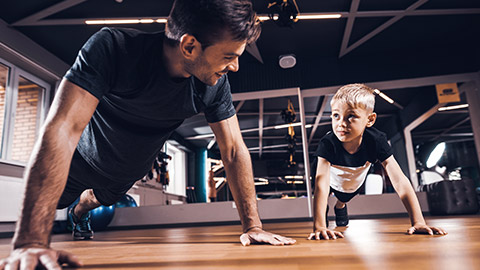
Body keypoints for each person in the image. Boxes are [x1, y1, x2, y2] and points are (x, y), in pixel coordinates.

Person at [0, 1, 296, 269]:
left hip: (126, 173)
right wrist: (31, 242)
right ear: (190, 46)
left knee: (95, 201)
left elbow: (232, 150)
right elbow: (63, 129)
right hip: (80, 163)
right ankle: (72, 207)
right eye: (229, 56)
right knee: (55, 203)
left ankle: (82, 209)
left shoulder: (213, 85)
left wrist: (252, 226)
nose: (235, 66)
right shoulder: (113, 49)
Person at [307, 83, 448, 241]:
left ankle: (340, 206)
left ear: (370, 119)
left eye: (351, 116)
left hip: (353, 177)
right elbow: (322, 184)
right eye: (336, 115)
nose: (341, 123)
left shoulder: (376, 140)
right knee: (322, 192)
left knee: (345, 196)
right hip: (328, 174)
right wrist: (319, 226)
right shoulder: (328, 143)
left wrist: (419, 222)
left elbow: (400, 180)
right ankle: (325, 211)